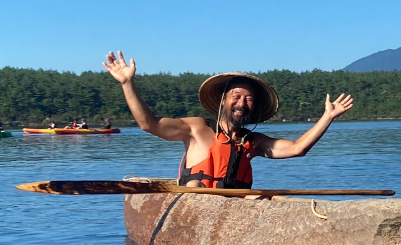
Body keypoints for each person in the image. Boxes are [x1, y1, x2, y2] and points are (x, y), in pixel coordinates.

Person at [102, 50, 354, 189]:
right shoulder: (195, 128)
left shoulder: (252, 142)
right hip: (195, 207)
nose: (242, 103)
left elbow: (298, 149)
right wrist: (128, 84)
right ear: (224, 100)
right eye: (237, 96)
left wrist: (327, 116)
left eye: (248, 99)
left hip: (232, 211)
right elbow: (149, 124)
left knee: (257, 199)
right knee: (196, 188)